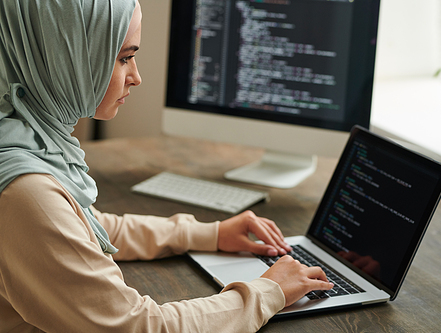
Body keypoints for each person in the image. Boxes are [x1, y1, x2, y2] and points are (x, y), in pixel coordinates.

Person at [0, 1, 333, 332]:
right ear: (63, 57)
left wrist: (208, 233)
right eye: (124, 58)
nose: (137, 77)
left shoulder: (22, 135)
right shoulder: (24, 188)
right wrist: (268, 292)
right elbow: (134, 326)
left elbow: (86, 228)